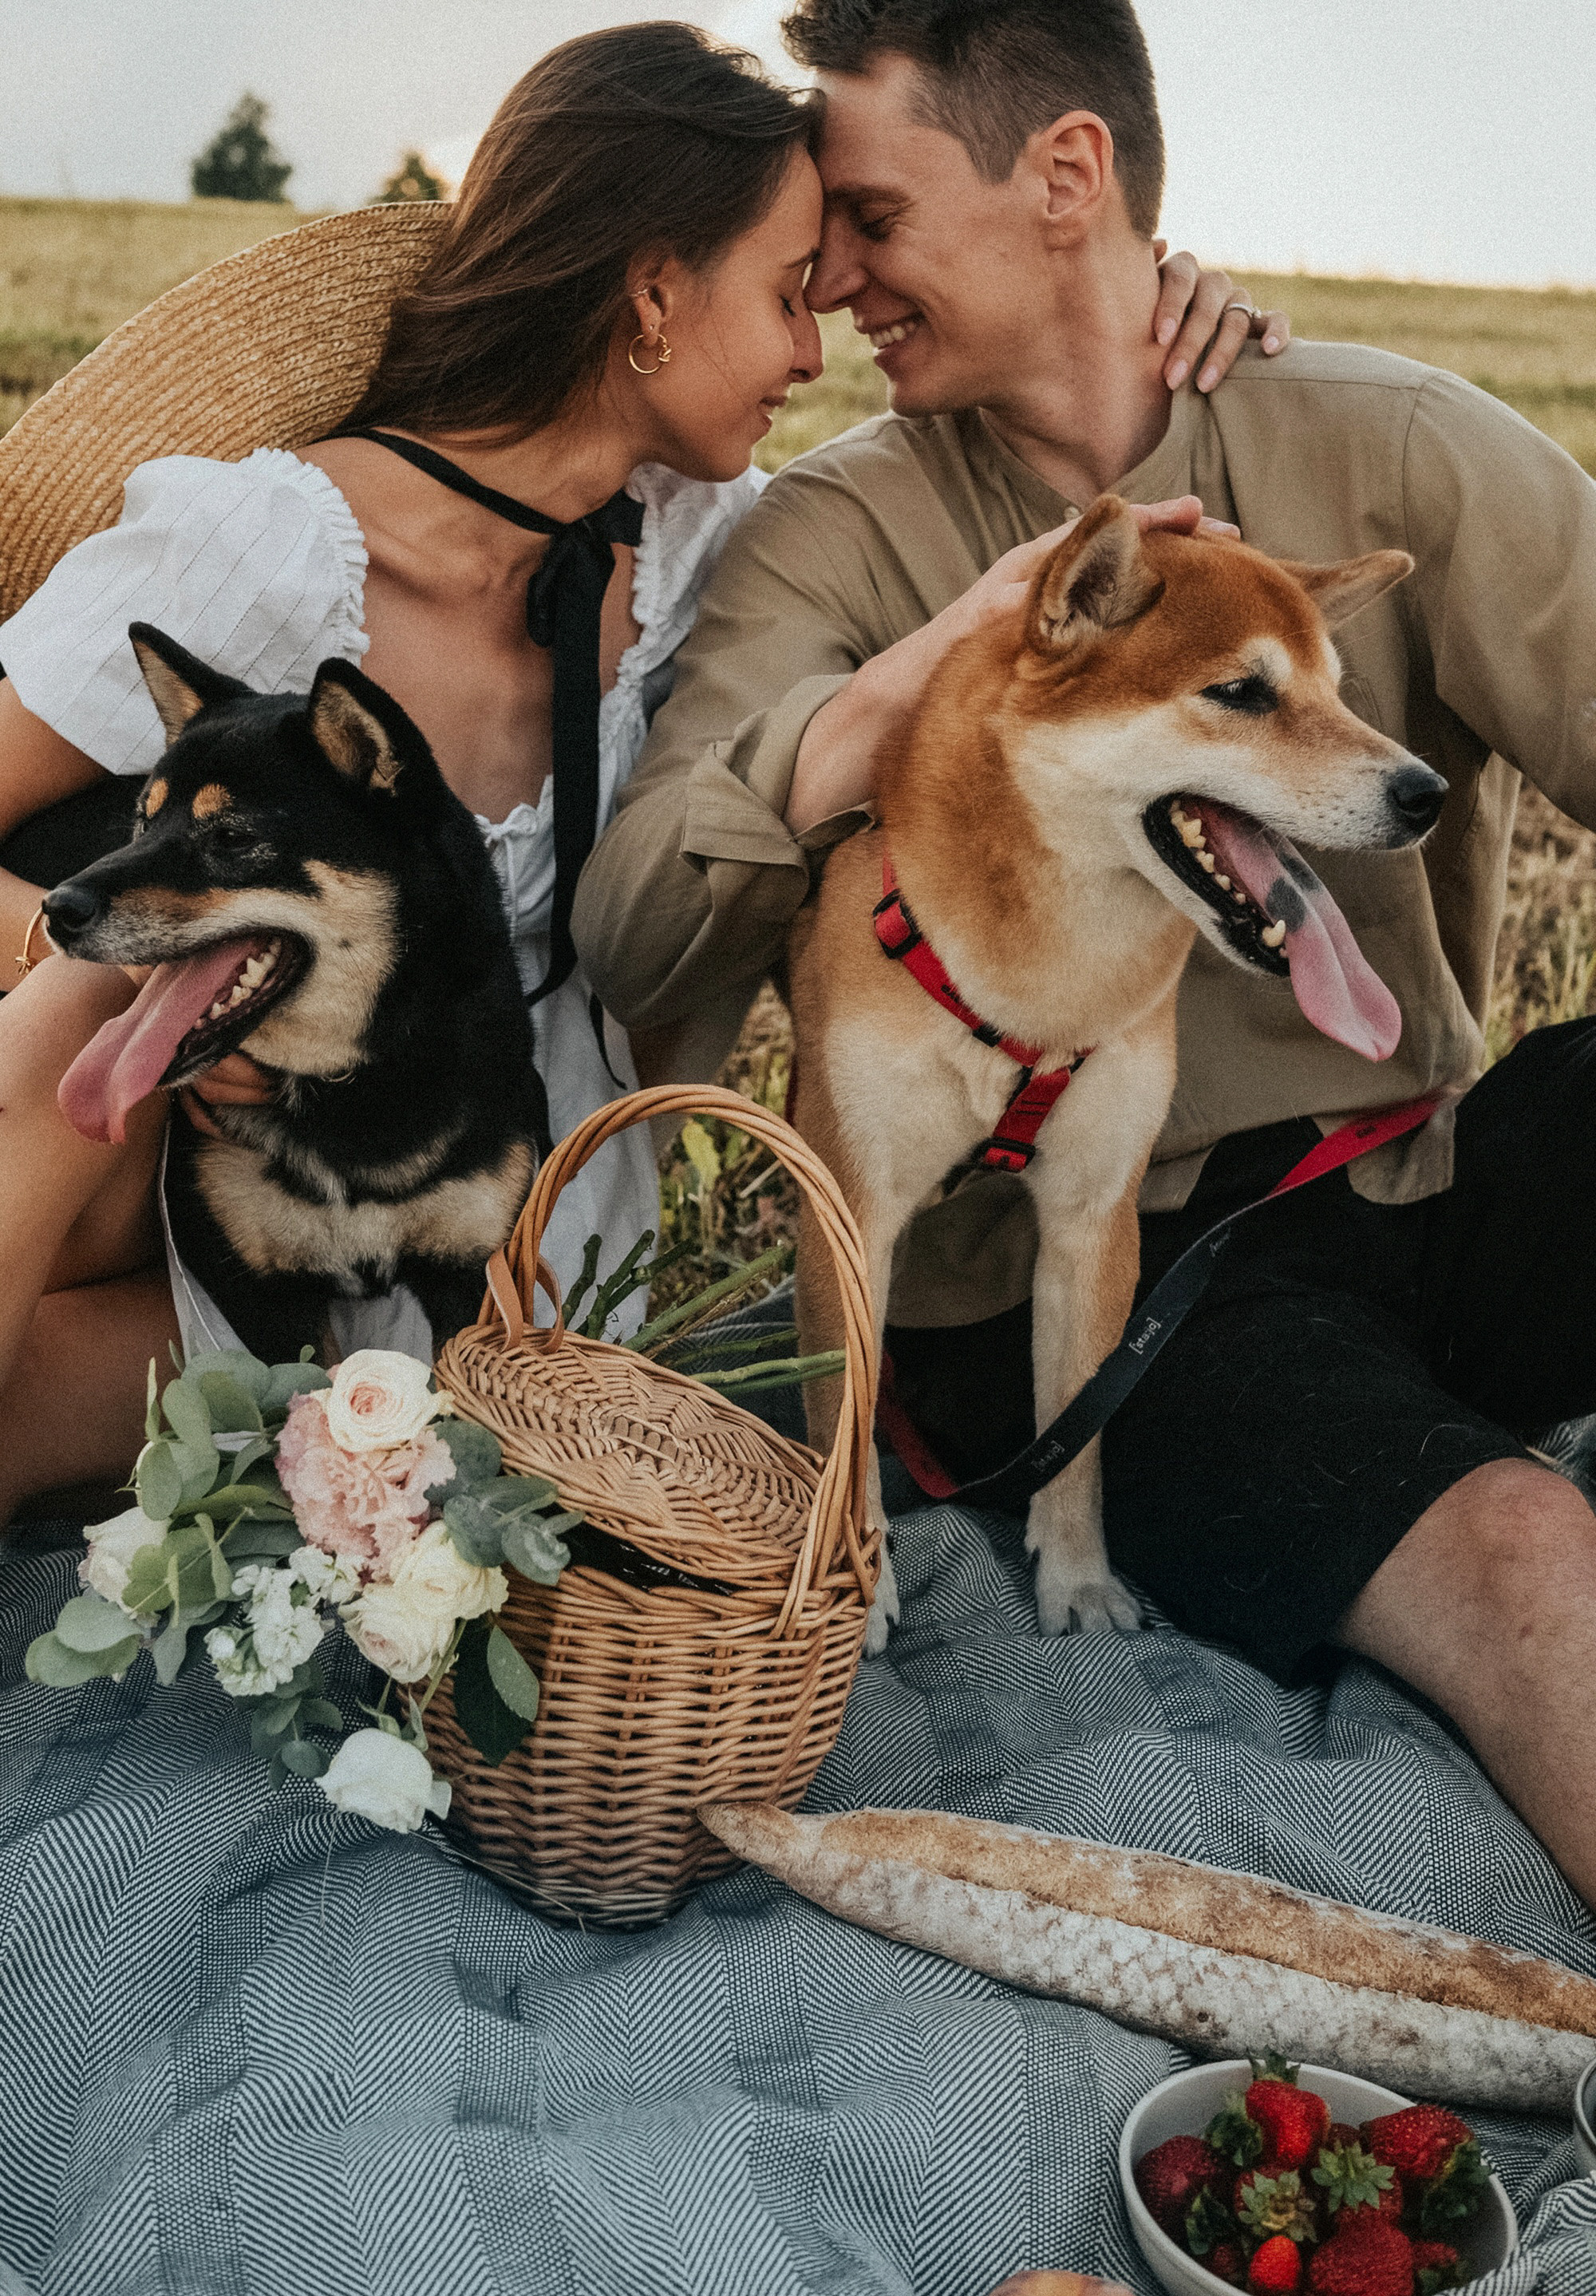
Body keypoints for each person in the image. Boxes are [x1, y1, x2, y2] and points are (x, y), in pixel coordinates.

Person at [571, 0, 1596, 1904]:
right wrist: (874, 711)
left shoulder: (1382, 440)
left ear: (1068, 176)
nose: (839, 279)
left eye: (869, 214)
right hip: (1144, 1303)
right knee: (1521, 1548)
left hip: (1433, 1169)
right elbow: (633, 935)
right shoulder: (834, 540)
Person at [0, 20, 1256, 1520]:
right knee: (70, 1002)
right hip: (171, 1174)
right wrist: (185, 995)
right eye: (791, 292)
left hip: (498, 1226)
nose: (815, 345)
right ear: (655, 295)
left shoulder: (703, 550)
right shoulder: (265, 554)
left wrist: (1150, 300)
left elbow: (987, 581)